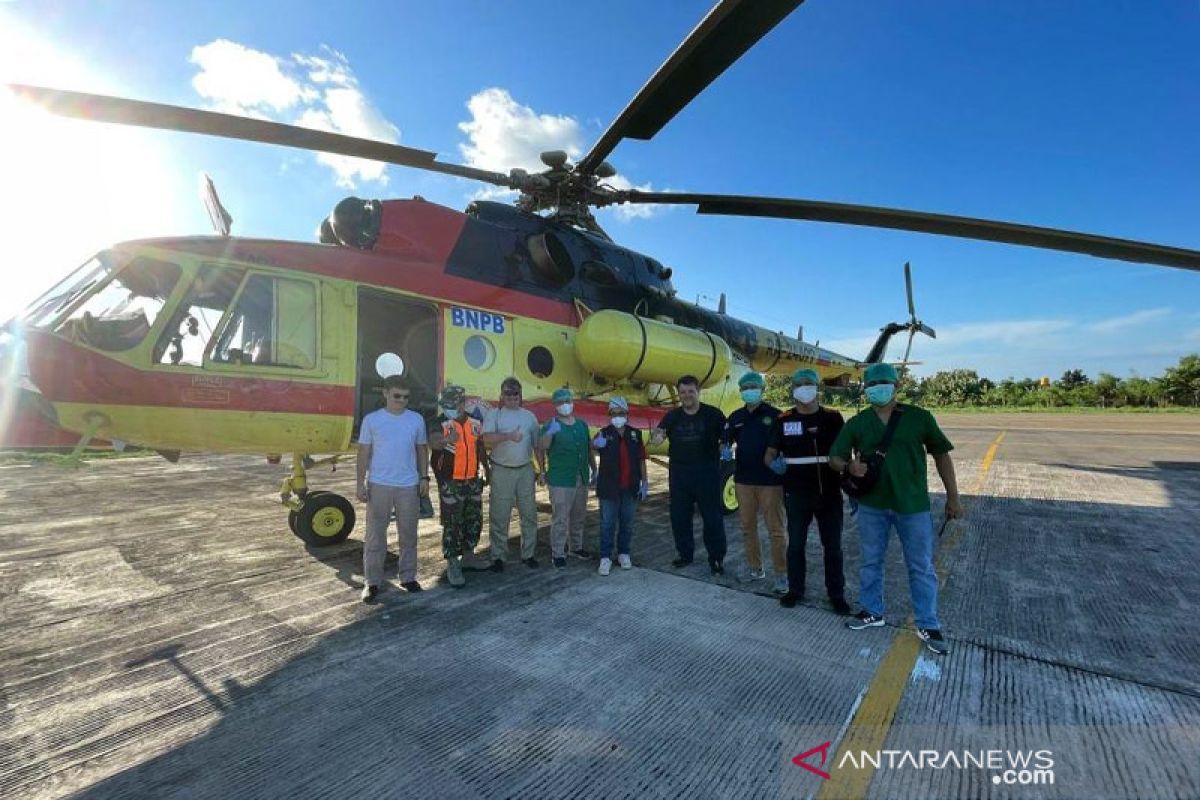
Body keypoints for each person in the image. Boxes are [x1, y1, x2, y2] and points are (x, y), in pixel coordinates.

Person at [830, 362, 963, 655]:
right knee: (871, 561)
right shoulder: (858, 423)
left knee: (921, 566)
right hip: (871, 506)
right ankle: (871, 611)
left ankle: (928, 623)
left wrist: (953, 497)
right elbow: (835, 458)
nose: (877, 388)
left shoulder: (919, 418)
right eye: (872, 384)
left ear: (896, 386)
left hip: (912, 505)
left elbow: (942, 455)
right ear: (865, 389)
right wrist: (849, 466)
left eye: (883, 383)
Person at [764, 368, 849, 614]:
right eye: (799, 383)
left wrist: (849, 481)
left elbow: (845, 452)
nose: (804, 387)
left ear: (817, 388)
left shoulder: (833, 418)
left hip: (830, 494)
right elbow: (769, 455)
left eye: (808, 383)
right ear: (793, 390)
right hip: (796, 494)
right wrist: (774, 465)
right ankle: (795, 590)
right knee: (796, 546)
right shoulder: (784, 420)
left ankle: (836, 594)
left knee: (833, 546)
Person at [355, 375, 430, 602]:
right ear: (385, 393)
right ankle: (372, 582)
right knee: (375, 536)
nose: (402, 401)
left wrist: (424, 477)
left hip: (408, 485)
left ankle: (408, 577)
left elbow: (421, 450)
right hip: (379, 485)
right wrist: (360, 483)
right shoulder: (372, 420)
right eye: (397, 396)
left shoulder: (416, 420)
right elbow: (363, 453)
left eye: (406, 397)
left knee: (409, 535)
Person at [651, 375, 728, 575]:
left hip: (707, 472)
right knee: (679, 518)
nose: (687, 396)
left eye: (690, 391)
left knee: (712, 518)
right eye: (683, 392)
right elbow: (658, 435)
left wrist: (727, 447)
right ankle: (685, 554)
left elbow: (727, 438)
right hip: (680, 474)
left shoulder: (713, 414)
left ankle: (716, 558)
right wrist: (657, 436)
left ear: (698, 392)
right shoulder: (672, 416)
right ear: (679, 394)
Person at [724, 370, 788, 593]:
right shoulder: (735, 417)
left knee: (776, 530)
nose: (750, 391)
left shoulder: (777, 415)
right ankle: (755, 568)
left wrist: (783, 463)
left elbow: (785, 445)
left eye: (754, 388)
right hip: (743, 480)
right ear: (741, 391)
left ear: (762, 390)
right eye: (745, 388)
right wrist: (724, 450)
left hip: (770, 481)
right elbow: (726, 440)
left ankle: (782, 575)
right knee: (747, 528)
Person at [429, 385, 489, 588]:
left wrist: (487, 471)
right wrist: (446, 440)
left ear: (462, 404)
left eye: (452, 405)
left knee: (473, 518)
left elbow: (479, 446)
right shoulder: (440, 422)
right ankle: (453, 562)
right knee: (452, 523)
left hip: (472, 479)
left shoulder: (475, 421)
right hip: (450, 481)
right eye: (444, 405)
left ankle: (470, 555)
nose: (448, 409)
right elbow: (434, 442)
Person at [481, 377, 542, 570]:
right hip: (501, 469)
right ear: (501, 395)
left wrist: (542, 470)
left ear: (520, 394)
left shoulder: (529, 417)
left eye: (516, 393)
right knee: (499, 515)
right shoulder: (494, 415)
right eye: (508, 393)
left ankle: (528, 554)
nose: (512, 397)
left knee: (529, 514)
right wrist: (508, 436)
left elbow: (537, 445)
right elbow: (486, 440)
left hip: (525, 469)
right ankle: (498, 556)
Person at [591, 396, 649, 576]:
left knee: (627, 522)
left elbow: (641, 459)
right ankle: (605, 557)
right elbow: (593, 448)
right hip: (609, 487)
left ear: (626, 413)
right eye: (614, 413)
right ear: (609, 414)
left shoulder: (635, 434)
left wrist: (645, 481)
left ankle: (623, 553)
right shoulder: (604, 432)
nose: (618, 416)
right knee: (607, 523)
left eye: (621, 413)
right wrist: (594, 444)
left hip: (630, 486)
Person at [538, 387, 595, 568]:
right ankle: (558, 552)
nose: (565, 405)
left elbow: (588, 448)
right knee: (560, 517)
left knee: (578, 515)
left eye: (568, 401)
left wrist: (594, 468)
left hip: (580, 476)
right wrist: (550, 433)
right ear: (555, 405)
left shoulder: (581, 425)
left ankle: (576, 547)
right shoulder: (551, 424)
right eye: (561, 402)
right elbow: (542, 446)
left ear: (573, 402)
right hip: (561, 478)